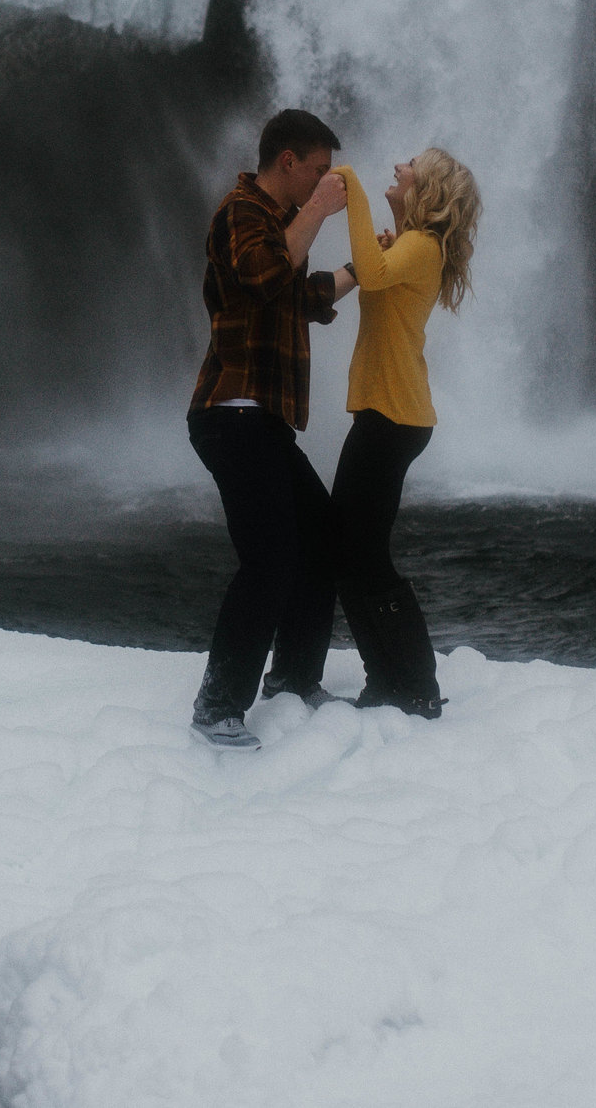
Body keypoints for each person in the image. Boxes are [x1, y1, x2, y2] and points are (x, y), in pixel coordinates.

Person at [186, 109, 363, 749]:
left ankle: (291, 679)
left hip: (261, 422)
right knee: (269, 559)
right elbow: (264, 278)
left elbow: (301, 296)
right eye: (318, 171)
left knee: (318, 538)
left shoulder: (280, 227)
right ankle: (216, 707)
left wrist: (367, 266)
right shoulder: (241, 213)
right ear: (287, 161)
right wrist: (316, 210)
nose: (325, 182)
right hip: (231, 413)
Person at [328, 148, 480, 718]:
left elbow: (370, 272)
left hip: (392, 417)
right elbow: (374, 271)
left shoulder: (420, 247)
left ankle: (414, 683)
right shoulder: (413, 248)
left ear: (430, 187)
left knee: (363, 555)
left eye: (411, 164)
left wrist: (347, 183)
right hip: (388, 414)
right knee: (352, 552)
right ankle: (390, 680)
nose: (398, 166)